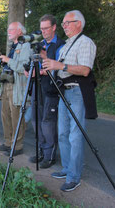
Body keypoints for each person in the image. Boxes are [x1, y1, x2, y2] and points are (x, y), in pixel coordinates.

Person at [43, 10, 97, 192]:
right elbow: (60, 68)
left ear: (78, 24)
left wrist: (60, 65)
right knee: (63, 133)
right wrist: (48, 65)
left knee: (75, 135)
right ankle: (66, 169)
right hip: (63, 92)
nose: (64, 26)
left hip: (77, 92)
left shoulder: (85, 42)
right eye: (64, 23)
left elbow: (85, 70)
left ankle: (74, 176)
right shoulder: (66, 45)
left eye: (68, 23)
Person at [28, 14, 65, 169]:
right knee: (36, 120)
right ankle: (42, 150)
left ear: (54, 27)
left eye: (46, 28)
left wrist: (43, 68)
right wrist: (31, 70)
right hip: (37, 87)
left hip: (51, 89)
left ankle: (50, 156)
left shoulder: (61, 45)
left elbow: (59, 68)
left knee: (47, 122)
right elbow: (32, 66)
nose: (43, 31)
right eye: (41, 28)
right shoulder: (39, 44)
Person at [0, 22, 33, 156]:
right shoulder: (13, 46)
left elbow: (24, 67)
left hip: (17, 86)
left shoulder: (26, 46)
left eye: (11, 29)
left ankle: (17, 146)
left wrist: (8, 60)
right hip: (6, 83)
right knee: (5, 115)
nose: (8, 32)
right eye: (8, 29)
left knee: (17, 116)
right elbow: (11, 65)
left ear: (20, 31)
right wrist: (4, 61)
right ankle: (8, 143)